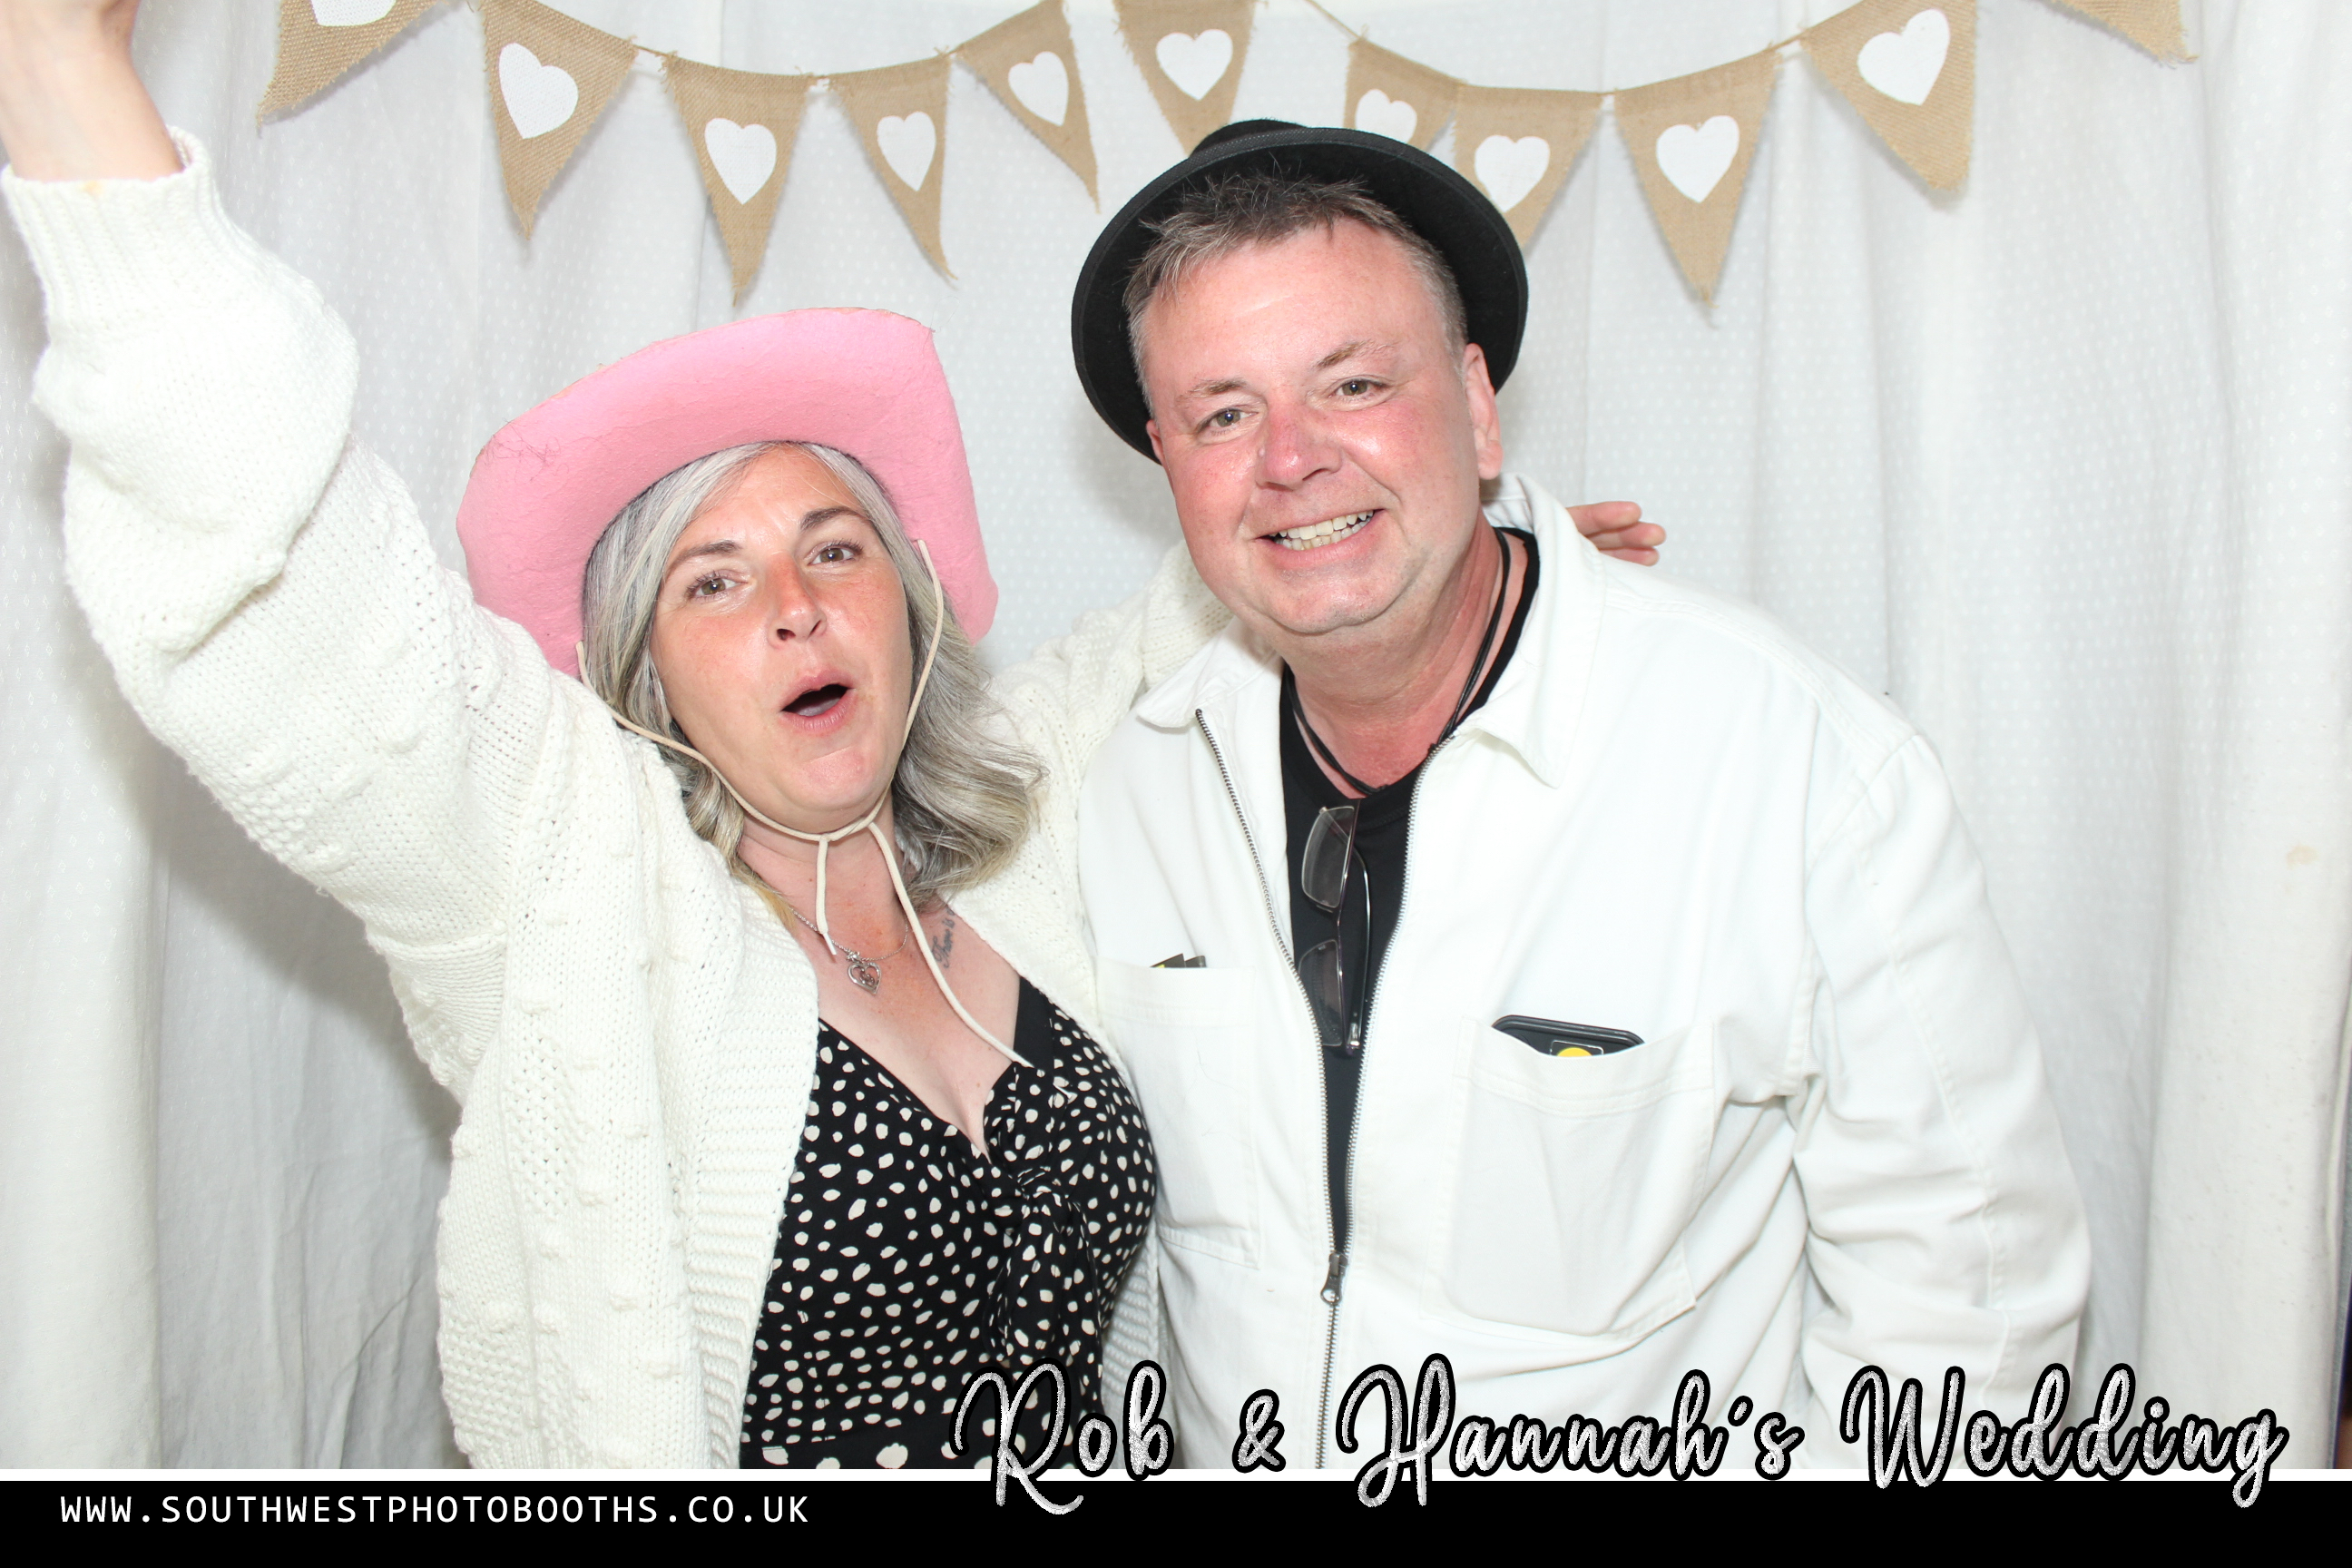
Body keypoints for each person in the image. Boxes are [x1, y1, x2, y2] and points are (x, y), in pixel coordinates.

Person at [0, 0, 1662, 1469]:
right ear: (648, 672)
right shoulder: (561, 879)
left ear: (909, 611)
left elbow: (1191, 617)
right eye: (714, 583)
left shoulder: (1026, 836)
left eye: (836, 549)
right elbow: (312, 616)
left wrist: (1428, 559)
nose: (795, 606)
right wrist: (72, 95)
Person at [1067, 122, 2092, 1468]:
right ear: (1168, 464)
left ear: (1478, 405)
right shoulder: (1139, 782)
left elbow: (1975, 1305)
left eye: (1355, 383)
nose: (1292, 457)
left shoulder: (1790, 764)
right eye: (1223, 415)